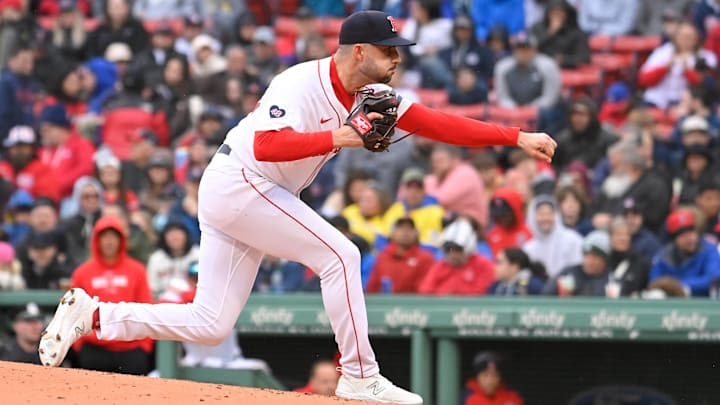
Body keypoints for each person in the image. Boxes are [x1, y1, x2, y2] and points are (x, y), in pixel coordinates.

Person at [39, 11, 556, 404]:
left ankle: (96, 314)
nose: (397, 57)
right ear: (357, 52)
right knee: (342, 256)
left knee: (212, 322)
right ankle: (359, 376)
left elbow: (440, 124)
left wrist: (515, 136)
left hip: (250, 193)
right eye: (388, 49)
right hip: (242, 181)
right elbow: (266, 145)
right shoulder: (298, 82)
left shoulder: (375, 94)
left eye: (398, 49)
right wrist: (343, 137)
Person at [68, 216, 153, 374]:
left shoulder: (137, 270)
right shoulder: (82, 273)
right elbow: (74, 312)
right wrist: (79, 344)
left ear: (121, 240)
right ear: (96, 240)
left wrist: (144, 346)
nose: (109, 241)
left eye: (114, 236)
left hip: (131, 348)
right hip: (94, 348)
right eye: (104, 236)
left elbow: (146, 307)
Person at [649, 208, 720, 297]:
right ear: (674, 239)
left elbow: (714, 279)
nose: (691, 238)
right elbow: (654, 283)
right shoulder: (664, 255)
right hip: (672, 307)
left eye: (692, 232)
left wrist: (680, 284)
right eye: (684, 235)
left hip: (703, 304)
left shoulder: (708, 250)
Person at [418, 217, 496, 295]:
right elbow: (425, 290)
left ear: (469, 248)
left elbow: (480, 293)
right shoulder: (440, 266)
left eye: (458, 250)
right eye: (448, 249)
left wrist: (452, 295)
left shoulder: (483, 265)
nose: (453, 255)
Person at [365, 217, 436, 293]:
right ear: (393, 233)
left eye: (410, 229)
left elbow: (426, 289)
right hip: (385, 302)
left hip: (413, 303)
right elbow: (372, 287)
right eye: (401, 228)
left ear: (416, 233)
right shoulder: (382, 257)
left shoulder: (425, 258)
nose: (405, 232)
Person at [522, 195, 583, 278]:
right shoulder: (528, 248)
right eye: (541, 214)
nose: (545, 218)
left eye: (549, 213)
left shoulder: (573, 240)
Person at [543, 230, 612, 297]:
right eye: (586, 256)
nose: (589, 262)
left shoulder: (611, 280)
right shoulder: (568, 273)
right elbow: (545, 295)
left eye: (594, 258)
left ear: (604, 260)